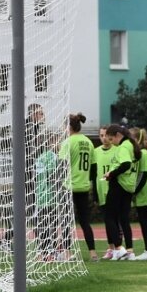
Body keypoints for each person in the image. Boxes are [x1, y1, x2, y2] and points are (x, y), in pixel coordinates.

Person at [0, 102, 45, 250]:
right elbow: (21, 148)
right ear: (32, 114)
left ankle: (7, 240)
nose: (42, 116)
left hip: (31, 172)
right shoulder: (27, 128)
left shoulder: (36, 129)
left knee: (29, 209)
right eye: (39, 113)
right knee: (28, 208)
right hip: (26, 173)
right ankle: (7, 240)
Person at [59, 112, 97, 261]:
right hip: (84, 186)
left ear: (69, 127)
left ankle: (67, 254)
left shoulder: (68, 142)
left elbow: (61, 165)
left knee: (67, 221)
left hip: (69, 186)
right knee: (85, 221)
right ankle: (93, 253)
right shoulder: (88, 142)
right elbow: (93, 168)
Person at [103, 124, 140, 261]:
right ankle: (130, 251)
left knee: (109, 217)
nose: (112, 143)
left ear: (119, 135)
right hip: (129, 185)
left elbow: (125, 164)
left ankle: (118, 248)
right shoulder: (132, 144)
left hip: (119, 184)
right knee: (124, 218)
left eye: (112, 139)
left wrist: (112, 174)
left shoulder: (124, 146)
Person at [34, 131, 63, 261]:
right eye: (57, 140)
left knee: (42, 225)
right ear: (52, 142)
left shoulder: (40, 157)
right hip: (50, 197)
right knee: (50, 225)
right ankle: (50, 252)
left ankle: (43, 252)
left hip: (40, 196)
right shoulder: (52, 157)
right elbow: (52, 176)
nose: (59, 144)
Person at [129, 127, 147, 260]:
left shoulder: (143, 154)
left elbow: (143, 175)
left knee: (145, 220)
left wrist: (134, 191)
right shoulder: (138, 153)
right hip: (142, 191)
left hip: (144, 191)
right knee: (143, 220)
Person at [92, 125, 118, 259]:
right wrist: (95, 192)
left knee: (115, 220)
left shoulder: (117, 150)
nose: (104, 138)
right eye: (101, 136)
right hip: (102, 190)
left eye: (106, 135)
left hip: (115, 190)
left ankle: (119, 247)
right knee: (107, 220)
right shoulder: (95, 152)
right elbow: (94, 173)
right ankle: (111, 247)